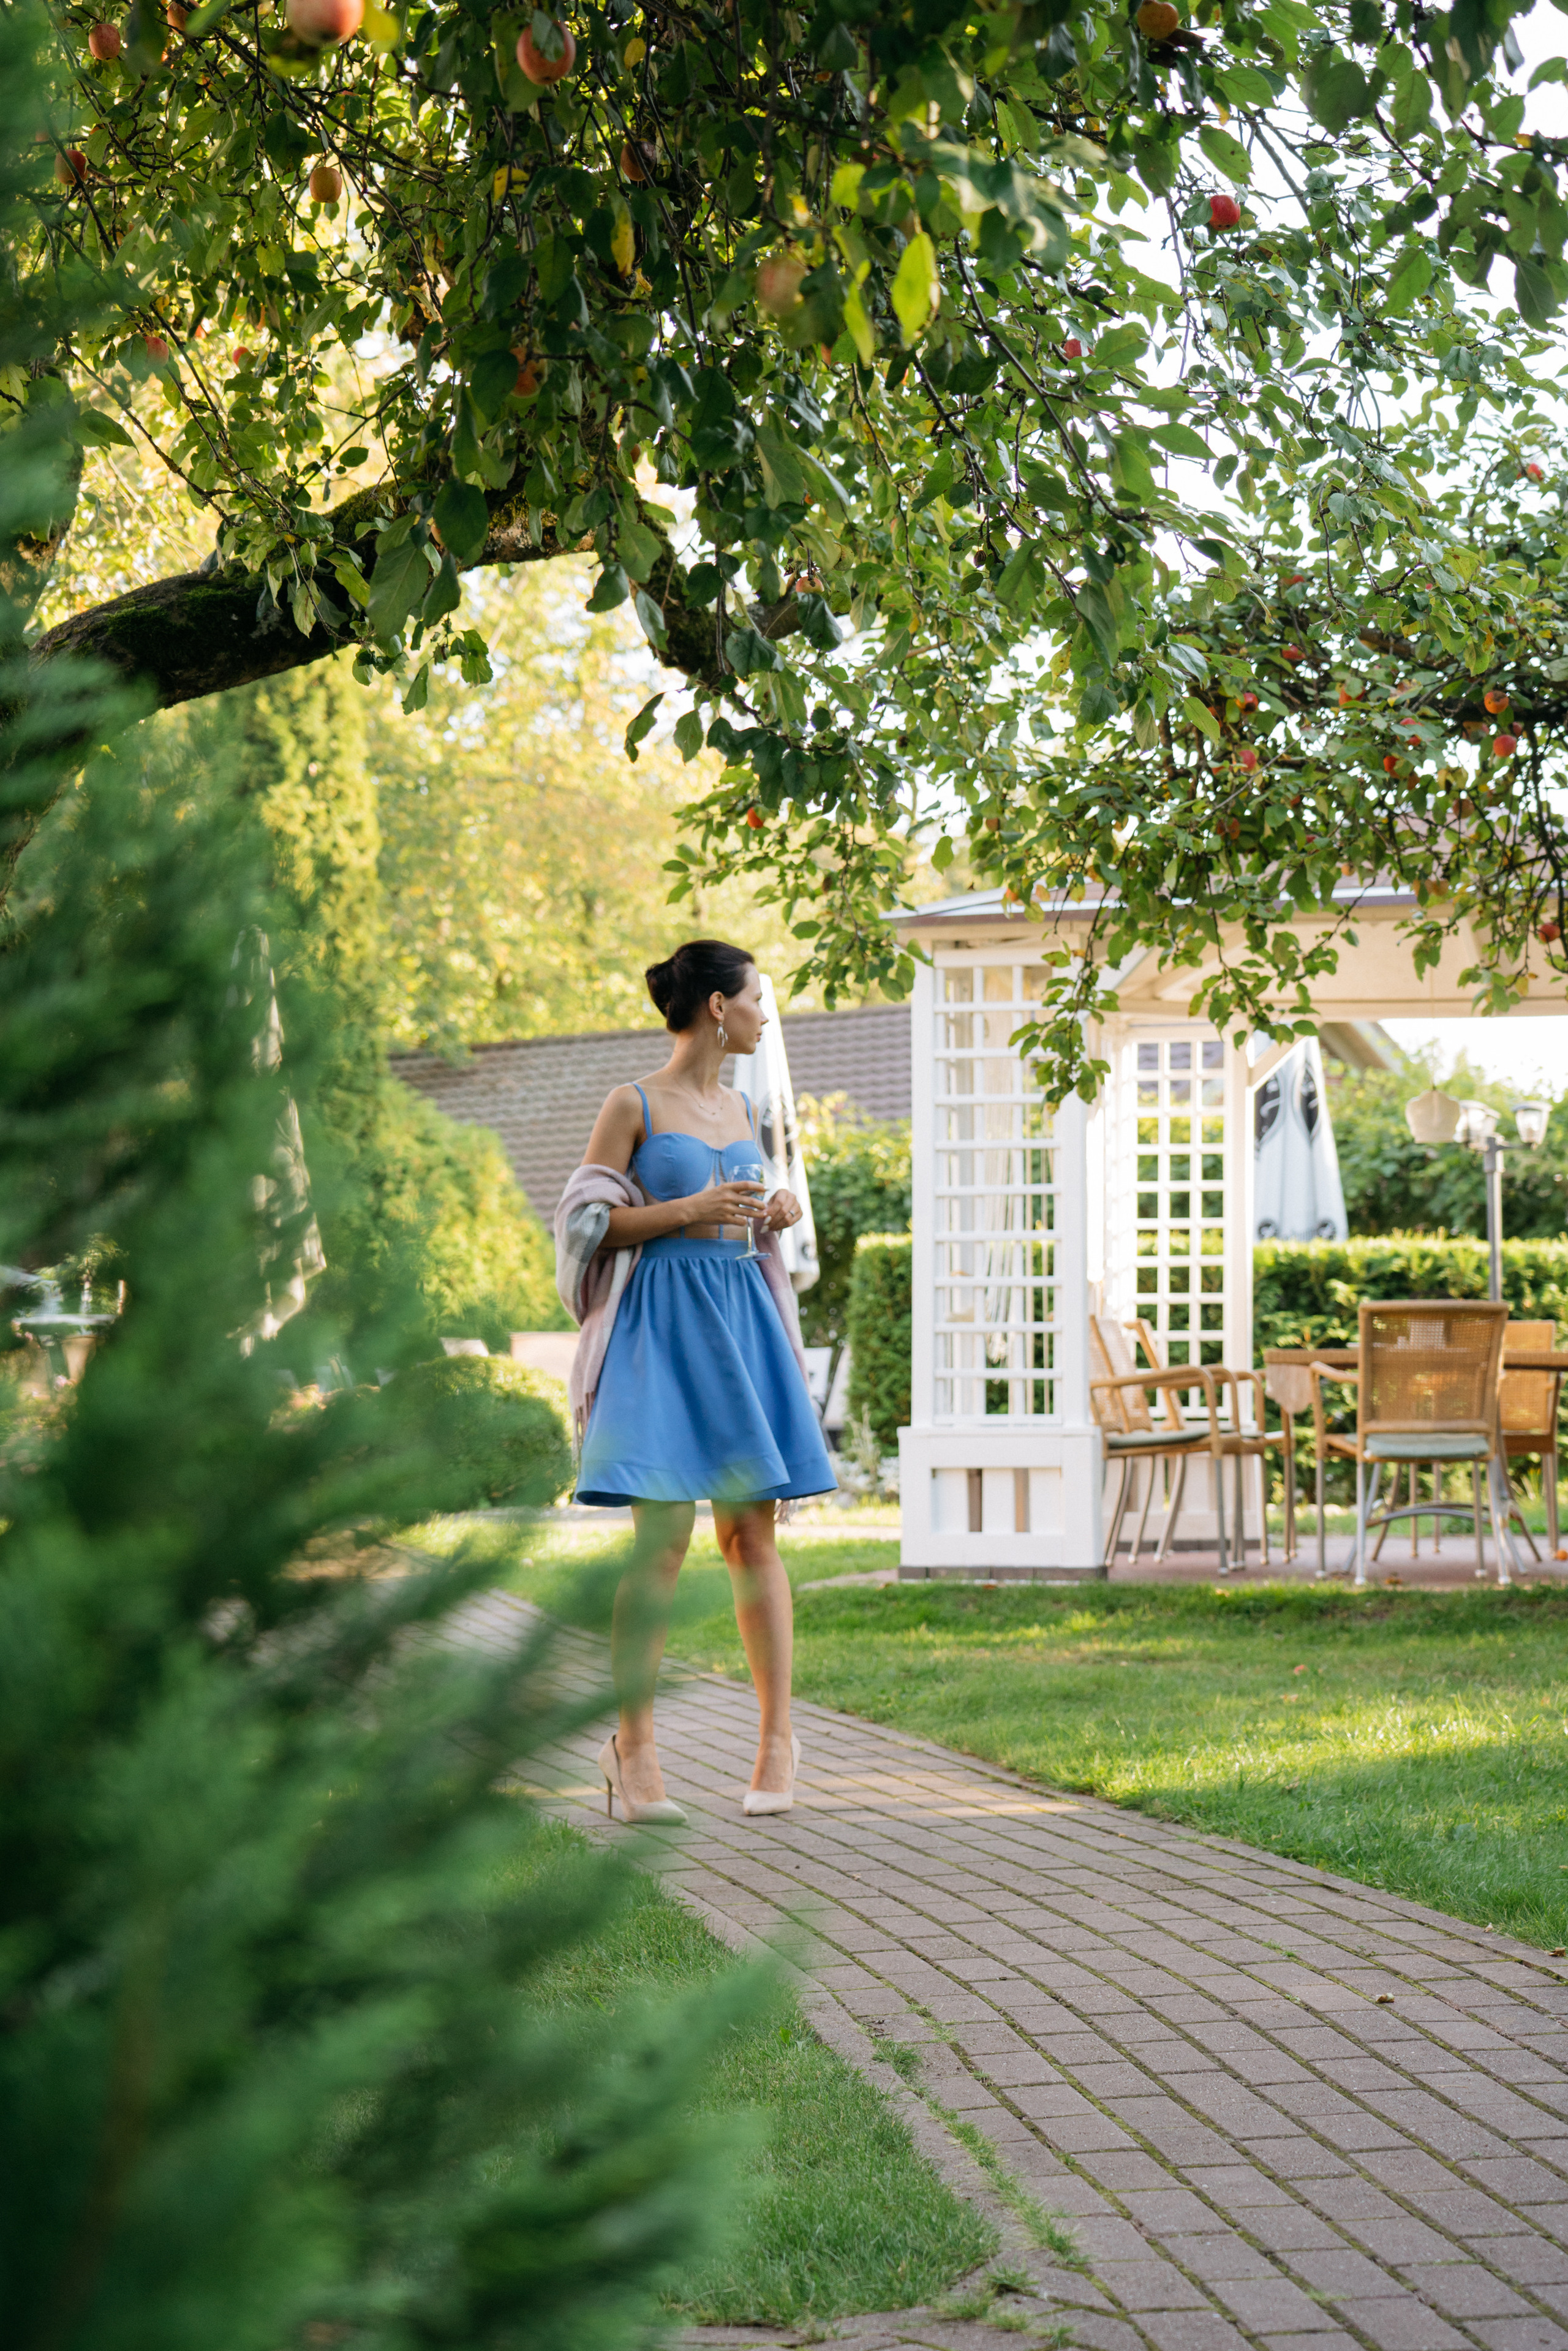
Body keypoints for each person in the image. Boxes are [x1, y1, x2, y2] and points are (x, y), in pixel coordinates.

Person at [557, 940, 835, 1827]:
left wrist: (774, 1212)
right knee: (664, 1542)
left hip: (741, 1320)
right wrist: (688, 1209)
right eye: (756, 998)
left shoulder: (745, 1108)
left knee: (752, 1537)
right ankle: (632, 1751)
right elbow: (584, 1222)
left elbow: (745, 1220)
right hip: (660, 1328)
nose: (763, 1013)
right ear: (719, 1006)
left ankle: (778, 1742)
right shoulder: (632, 1103)